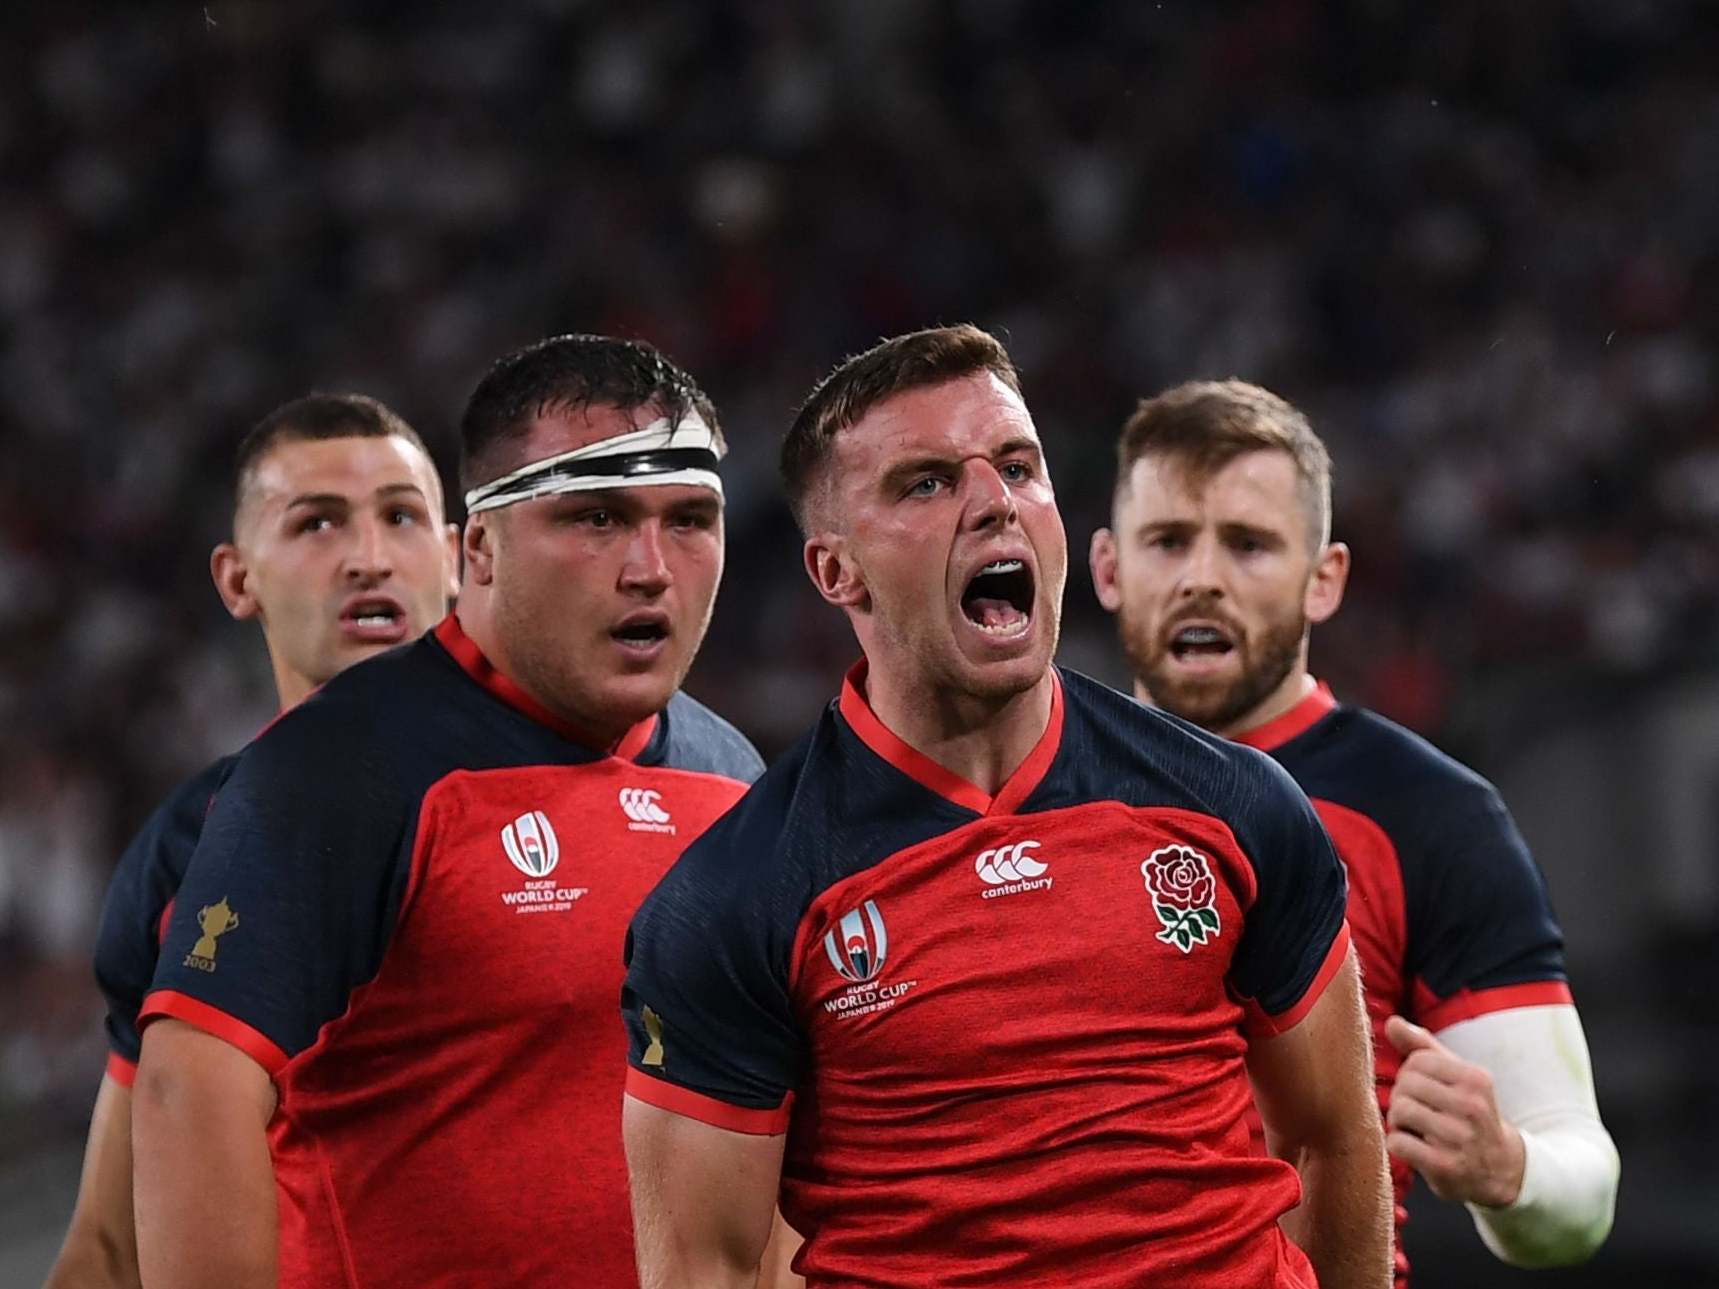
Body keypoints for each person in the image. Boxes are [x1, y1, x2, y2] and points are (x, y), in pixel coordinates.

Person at [620, 325, 1393, 1289]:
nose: (993, 504)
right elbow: (710, 1269)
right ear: (834, 570)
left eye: (1018, 468)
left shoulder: (1234, 804)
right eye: (926, 482)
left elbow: (1333, 1137)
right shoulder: (736, 895)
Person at [131, 335, 764, 1289]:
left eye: (689, 519)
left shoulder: (734, 780)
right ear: (478, 548)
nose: (650, 567)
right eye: (595, 518)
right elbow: (191, 1089)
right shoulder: (339, 767)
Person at [1087, 379, 1620, 1284]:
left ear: (1323, 578)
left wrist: (1509, 1168)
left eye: (1248, 544)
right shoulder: (1018, 792)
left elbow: (1584, 1192)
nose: (1202, 575)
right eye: (1168, 539)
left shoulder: (1425, 811)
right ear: (1106, 568)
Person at [45, 392, 461, 1289]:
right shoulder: (182, 852)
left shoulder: (635, 788)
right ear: (238, 579)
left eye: (400, 514)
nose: (368, 556)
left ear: (460, 556)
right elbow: (112, 1249)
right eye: (317, 523)